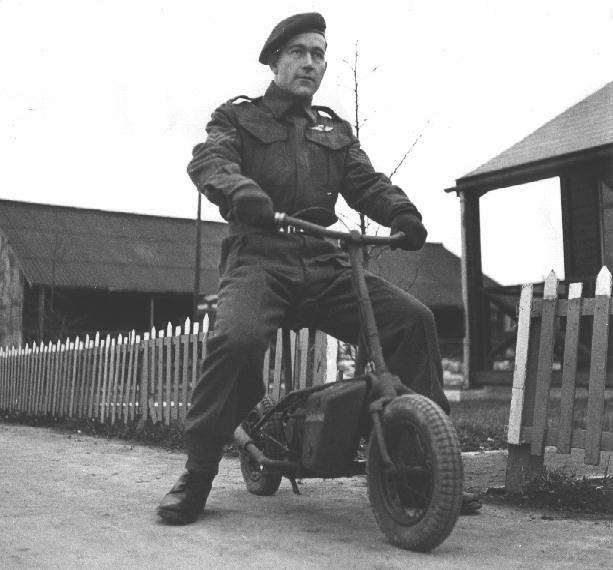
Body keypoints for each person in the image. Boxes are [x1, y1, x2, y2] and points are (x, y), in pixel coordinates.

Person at [158, 12, 480, 525]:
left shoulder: (332, 128)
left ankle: (425, 466)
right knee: (237, 341)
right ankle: (197, 475)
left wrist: (401, 212)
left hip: (326, 262)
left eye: (319, 54)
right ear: (274, 60)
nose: (311, 63)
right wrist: (244, 193)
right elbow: (209, 162)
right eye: (299, 53)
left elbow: (366, 181)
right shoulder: (237, 118)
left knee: (411, 319)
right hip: (260, 257)